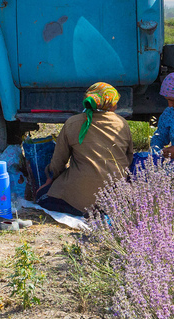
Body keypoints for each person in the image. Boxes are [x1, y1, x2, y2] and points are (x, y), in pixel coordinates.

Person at [37, 82, 135, 217]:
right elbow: (128, 159)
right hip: (114, 201)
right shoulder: (122, 124)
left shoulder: (73, 123)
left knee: (41, 196)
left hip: (78, 202)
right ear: (111, 104)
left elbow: (58, 162)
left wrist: (49, 181)